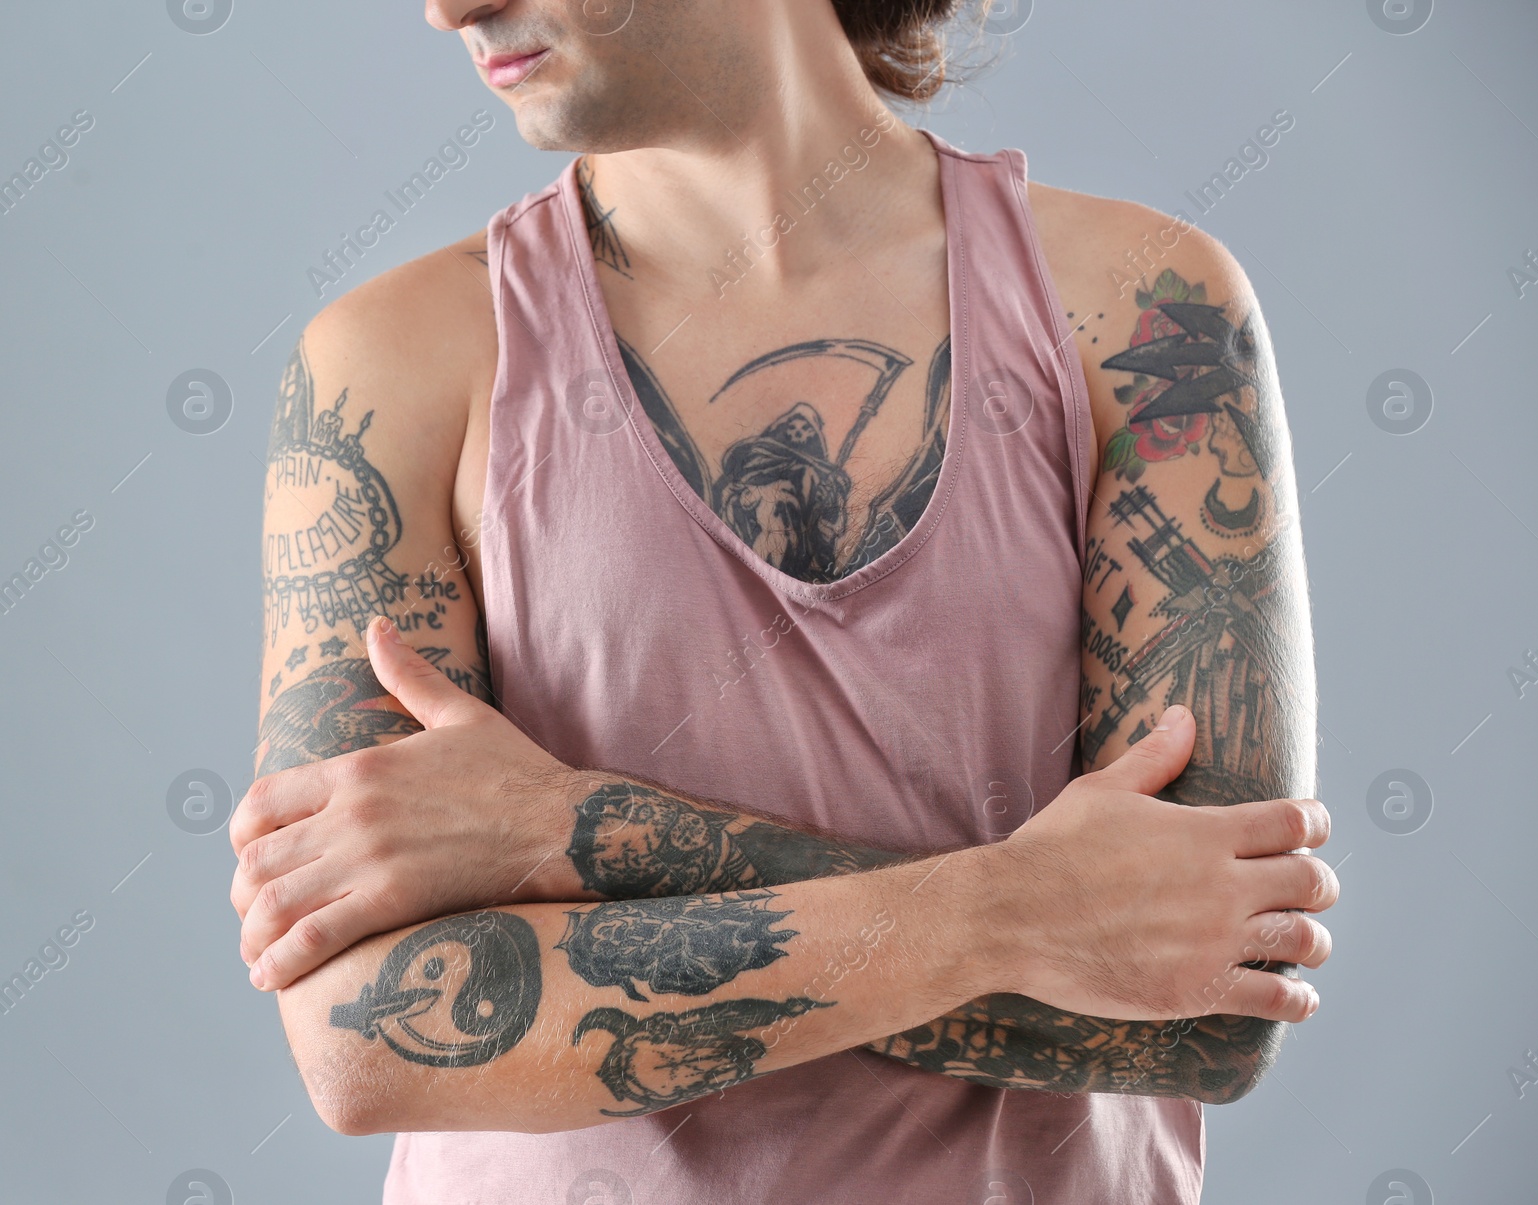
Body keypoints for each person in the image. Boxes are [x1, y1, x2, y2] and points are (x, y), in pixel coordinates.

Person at [235, 1, 1338, 1201]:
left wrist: (567, 830)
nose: (449, 6)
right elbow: (368, 1037)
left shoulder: (1136, 312)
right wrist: (1022, 911)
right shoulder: (395, 362)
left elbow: (1210, 1008)